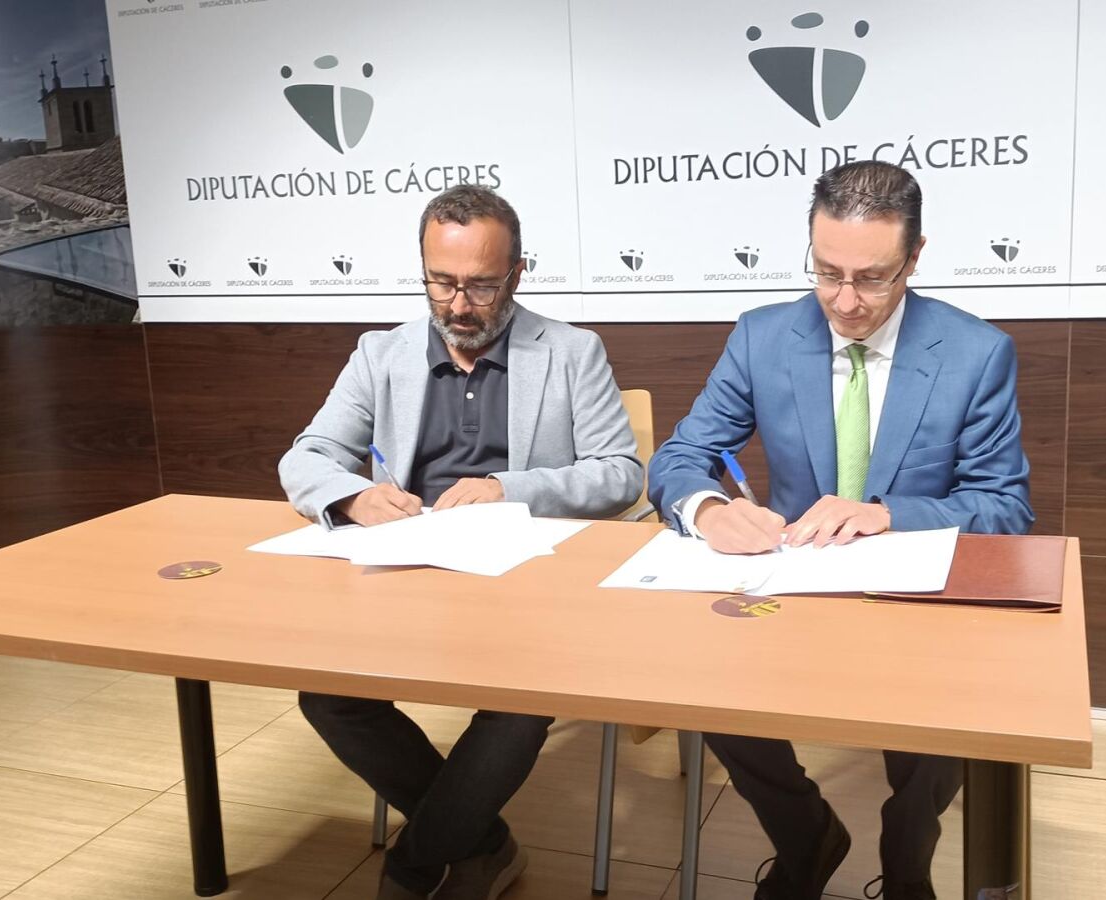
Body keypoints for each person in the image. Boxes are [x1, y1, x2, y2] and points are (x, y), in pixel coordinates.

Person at [646, 160, 1033, 900]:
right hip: (796, 586)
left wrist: (889, 514)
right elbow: (681, 455)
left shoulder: (976, 353)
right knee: (703, 682)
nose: (846, 301)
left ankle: (907, 863)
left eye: (872, 279)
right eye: (827, 273)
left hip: (916, 601)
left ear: (915, 258)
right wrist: (709, 510)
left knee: (944, 719)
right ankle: (806, 837)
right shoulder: (763, 337)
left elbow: (1004, 506)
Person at [279, 184, 642, 900]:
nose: (459, 304)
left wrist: (510, 487)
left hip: (529, 583)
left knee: (519, 702)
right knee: (328, 696)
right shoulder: (380, 354)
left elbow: (620, 473)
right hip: (407, 576)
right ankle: (481, 842)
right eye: (441, 282)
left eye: (481, 285)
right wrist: (351, 496)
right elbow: (307, 455)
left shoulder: (572, 351)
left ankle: (417, 866)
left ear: (517, 274)